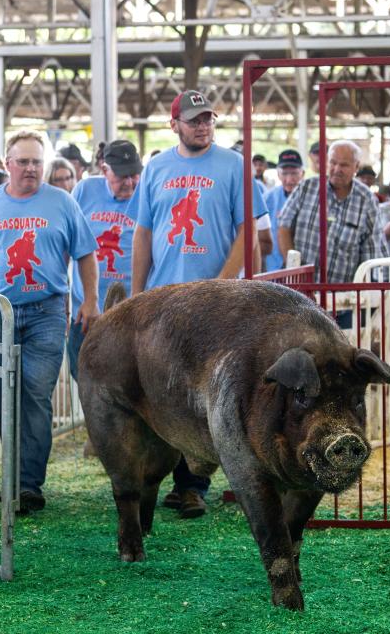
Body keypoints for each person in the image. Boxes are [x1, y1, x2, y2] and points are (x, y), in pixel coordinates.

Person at [130, 89, 265, 519]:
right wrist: (137, 296)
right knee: (163, 389)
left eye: (208, 117)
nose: (203, 125)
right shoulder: (156, 167)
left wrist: (222, 286)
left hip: (215, 303)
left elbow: (248, 231)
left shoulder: (233, 165)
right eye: (194, 119)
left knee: (204, 393)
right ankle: (162, 477)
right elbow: (144, 233)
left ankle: (193, 486)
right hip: (165, 296)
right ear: (175, 126)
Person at [0, 130, 99, 514]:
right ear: (8, 165)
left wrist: (90, 300)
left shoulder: (63, 203)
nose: (31, 168)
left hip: (47, 311)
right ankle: (15, 477)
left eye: (37, 161)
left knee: (35, 395)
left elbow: (86, 254)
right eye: (23, 161)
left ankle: (27, 483)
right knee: (4, 394)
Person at [66, 139, 142, 380]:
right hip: (87, 308)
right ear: (104, 169)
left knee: (129, 383)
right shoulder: (84, 190)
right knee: (84, 377)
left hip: (132, 308)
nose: (129, 182)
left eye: (134, 175)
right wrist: (63, 301)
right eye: (121, 176)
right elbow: (68, 243)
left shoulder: (146, 193)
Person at [277, 139, 385, 283]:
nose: (337, 169)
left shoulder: (367, 200)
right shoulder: (307, 187)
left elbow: (371, 253)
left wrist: (362, 295)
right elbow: (284, 228)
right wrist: (295, 272)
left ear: (356, 166)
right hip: (299, 290)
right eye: (333, 163)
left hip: (341, 296)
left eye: (344, 165)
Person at [262, 149, 304, 271]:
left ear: (302, 173)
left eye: (294, 173)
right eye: (284, 174)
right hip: (273, 268)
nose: (289, 179)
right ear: (278, 174)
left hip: (303, 267)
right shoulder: (268, 198)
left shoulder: (311, 199)